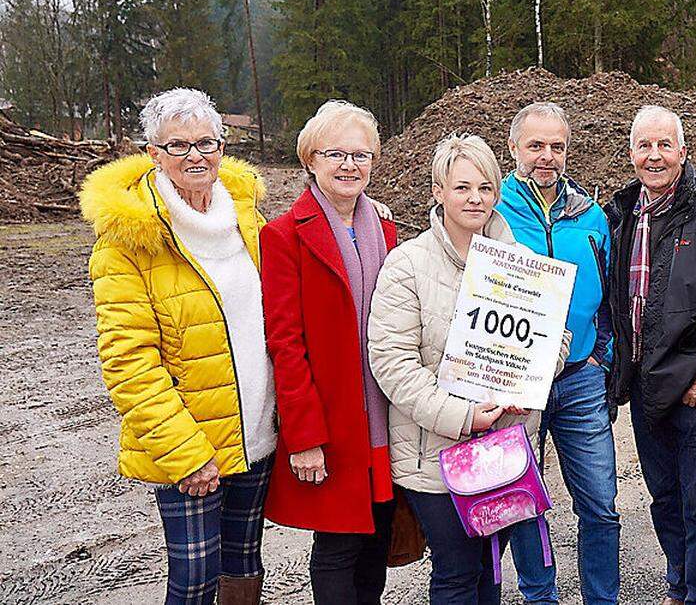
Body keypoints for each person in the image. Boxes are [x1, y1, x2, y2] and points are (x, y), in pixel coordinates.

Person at [80, 88, 276, 604]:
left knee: (244, 568)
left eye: (206, 143)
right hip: (192, 445)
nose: (195, 156)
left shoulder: (246, 217)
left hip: (256, 433)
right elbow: (128, 361)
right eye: (179, 145)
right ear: (153, 153)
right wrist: (186, 454)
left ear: (221, 146)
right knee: (194, 580)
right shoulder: (128, 239)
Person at [367, 134, 568, 605]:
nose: (474, 198)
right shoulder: (408, 265)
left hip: (501, 446)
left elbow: (553, 337)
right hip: (434, 457)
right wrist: (462, 416)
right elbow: (393, 363)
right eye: (461, 187)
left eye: (484, 187)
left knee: (489, 572)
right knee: (457, 571)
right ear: (438, 192)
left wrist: (532, 381)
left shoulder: (521, 263)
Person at [605, 105, 696, 605]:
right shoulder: (622, 215)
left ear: (683, 152)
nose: (655, 156)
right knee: (664, 498)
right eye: (645, 146)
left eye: (665, 145)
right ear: (631, 155)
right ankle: (679, 585)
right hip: (646, 386)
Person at [260, 100, 400, 603]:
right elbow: (285, 342)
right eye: (336, 153)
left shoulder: (385, 230)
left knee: (378, 537)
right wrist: (303, 437)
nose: (349, 165)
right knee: (338, 547)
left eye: (361, 155)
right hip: (334, 421)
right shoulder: (282, 236)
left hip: (385, 417)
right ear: (310, 159)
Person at [496, 102, 621, 605]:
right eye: (535, 146)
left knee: (601, 504)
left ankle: (601, 598)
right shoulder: (493, 210)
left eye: (557, 147)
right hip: (514, 382)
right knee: (525, 500)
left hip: (579, 377)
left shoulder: (590, 215)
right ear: (514, 149)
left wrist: (601, 355)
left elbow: (611, 291)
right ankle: (539, 595)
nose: (547, 157)